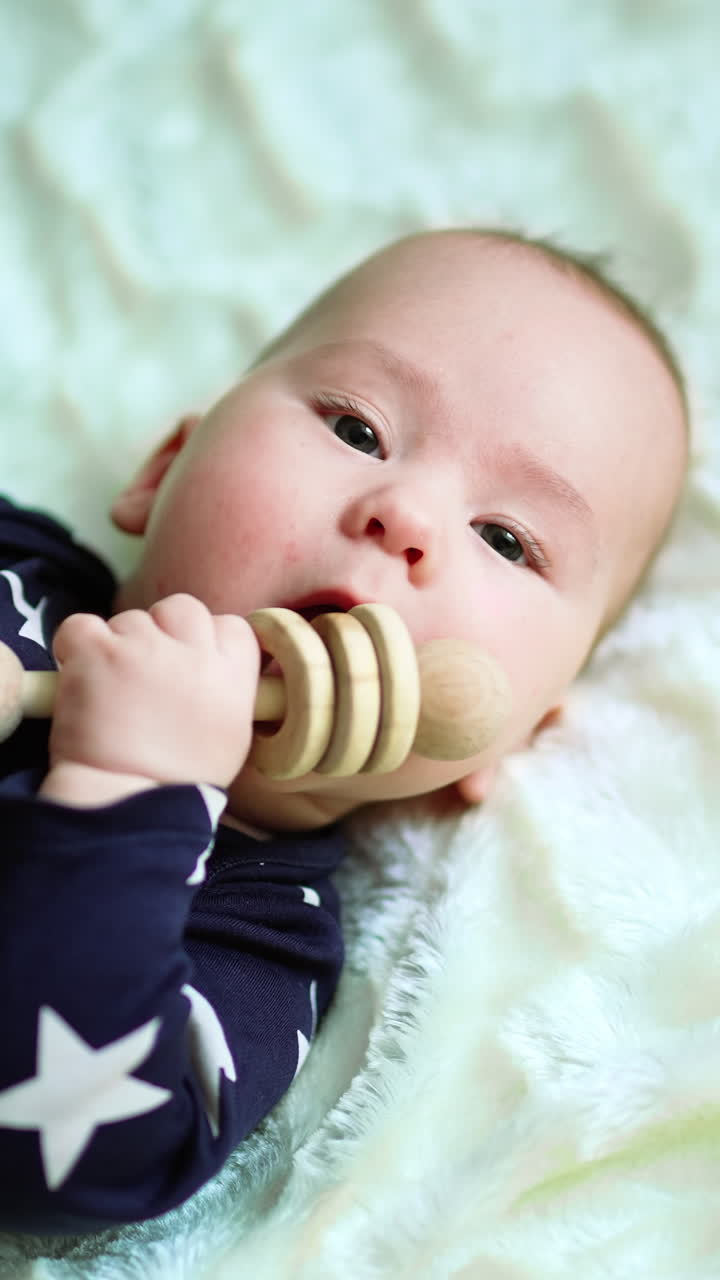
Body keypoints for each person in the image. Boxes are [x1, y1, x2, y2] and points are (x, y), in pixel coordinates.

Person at [0, 228, 688, 1235]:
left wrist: (134, 791)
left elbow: (54, 1168)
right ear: (164, 467)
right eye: (358, 428)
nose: (404, 512)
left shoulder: (255, 936)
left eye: (506, 538)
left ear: (507, 738)